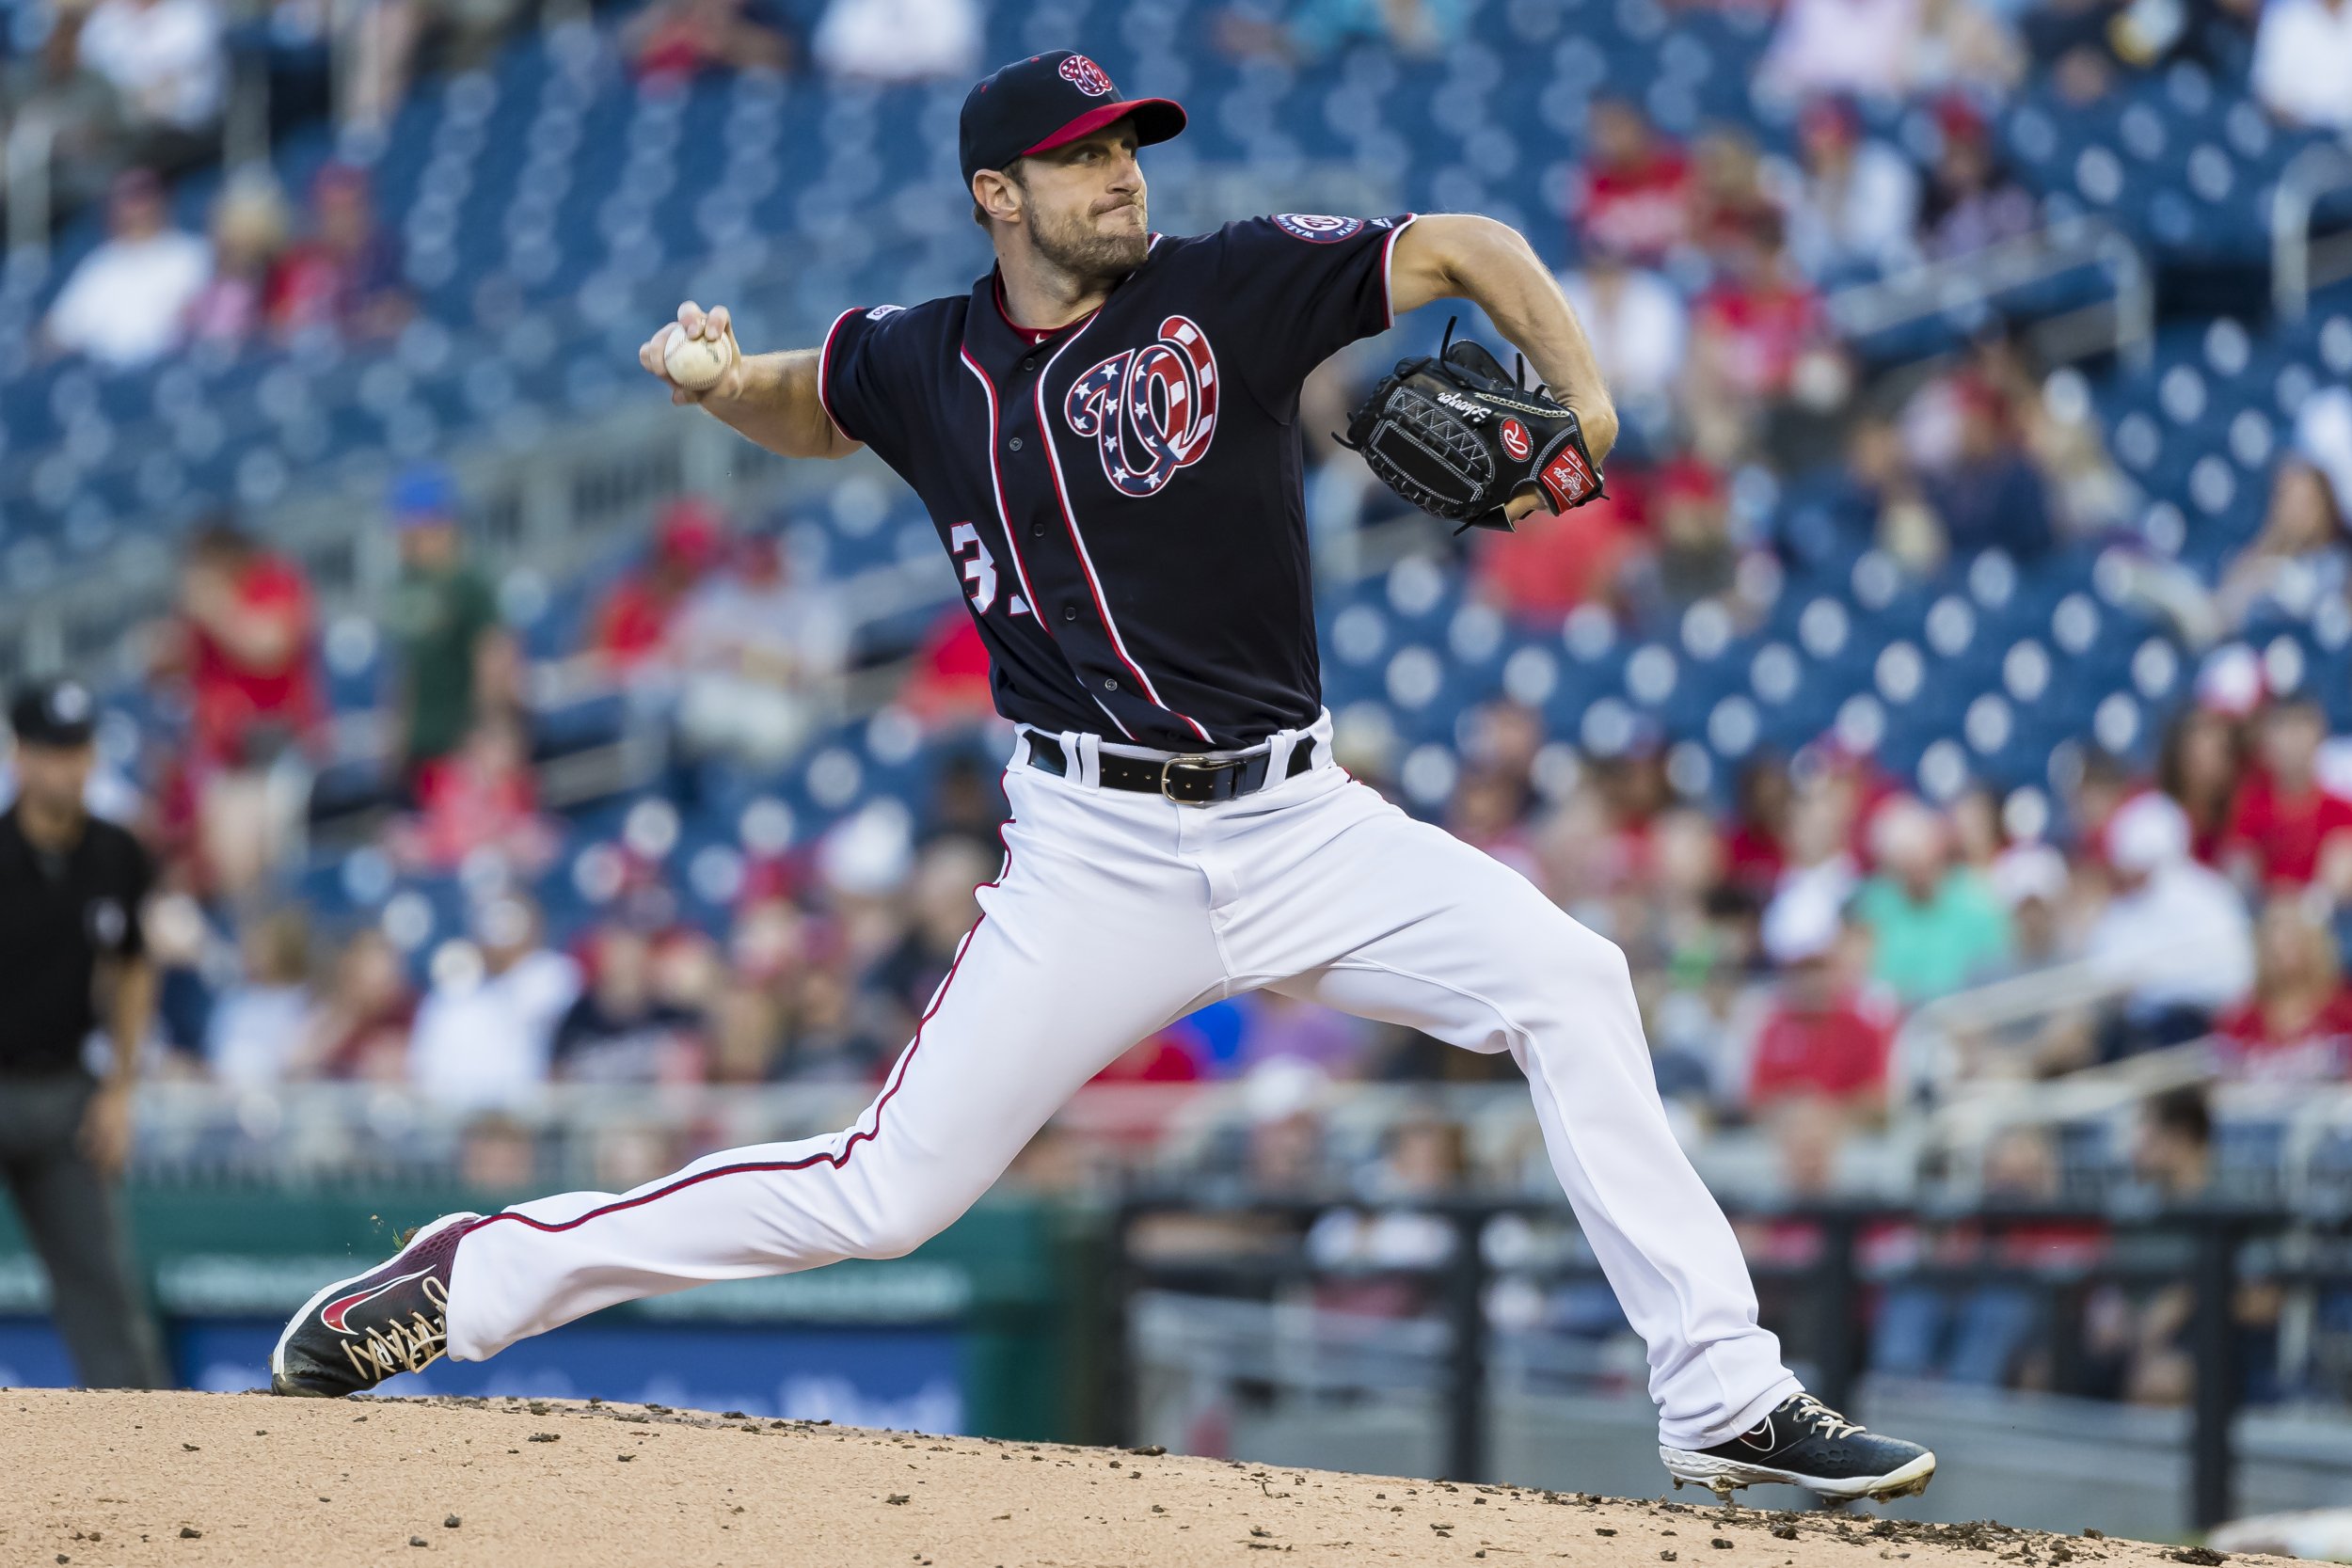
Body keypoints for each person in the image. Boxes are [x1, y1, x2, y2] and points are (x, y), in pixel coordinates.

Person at [271, 48, 1935, 1505]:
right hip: (1095, 854)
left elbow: (1466, 247)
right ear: (1001, 194)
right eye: (1083, 157)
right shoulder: (925, 357)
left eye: (1131, 146)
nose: (1123, 172)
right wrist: (720, 390)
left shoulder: (1231, 287)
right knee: (884, 1193)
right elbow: (811, 401)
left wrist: (1584, 395)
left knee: (1574, 980)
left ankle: (1725, 1398)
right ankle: (471, 1280)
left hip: (1301, 820)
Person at [0, 680, 168, 1388]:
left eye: (77, 749)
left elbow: (133, 968)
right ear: (20, 755)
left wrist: (120, 1088)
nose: (67, 766)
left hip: (69, 1090)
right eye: (50, 750)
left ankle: (152, 1466)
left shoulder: (117, 852)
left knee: (105, 1294)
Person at [381, 465, 516, 787]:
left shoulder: (469, 582)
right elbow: (406, 669)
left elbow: (494, 658)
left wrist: (489, 728)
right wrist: (396, 737)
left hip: (465, 742)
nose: (405, 537)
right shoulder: (406, 585)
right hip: (422, 747)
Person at [42, 167, 210, 368]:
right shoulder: (99, 263)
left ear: (163, 198)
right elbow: (58, 333)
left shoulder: (194, 253)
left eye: (142, 193)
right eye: (126, 196)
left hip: (172, 368)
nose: (135, 206)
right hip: (105, 375)